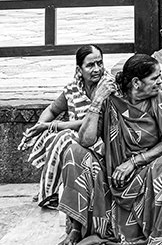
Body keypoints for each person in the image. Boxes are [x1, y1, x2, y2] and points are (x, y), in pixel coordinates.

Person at [58, 53, 162, 245]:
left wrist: (134, 162)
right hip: (112, 175)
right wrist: (97, 101)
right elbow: (85, 140)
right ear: (136, 83)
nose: (161, 81)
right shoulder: (111, 100)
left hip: (148, 171)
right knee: (73, 151)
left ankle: (159, 229)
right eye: (155, 78)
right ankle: (76, 227)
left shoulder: (160, 99)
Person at [19, 44, 109, 208]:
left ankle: (49, 193)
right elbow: (52, 110)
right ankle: (55, 189)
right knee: (50, 136)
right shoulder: (73, 88)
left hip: (99, 139)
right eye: (90, 65)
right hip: (75, 136)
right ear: (79, 69)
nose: (97, 69)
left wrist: (54, 126)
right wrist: (40, 125)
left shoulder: (107, 87)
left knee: (62, 137)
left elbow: (90, 121)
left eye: (99, 63)